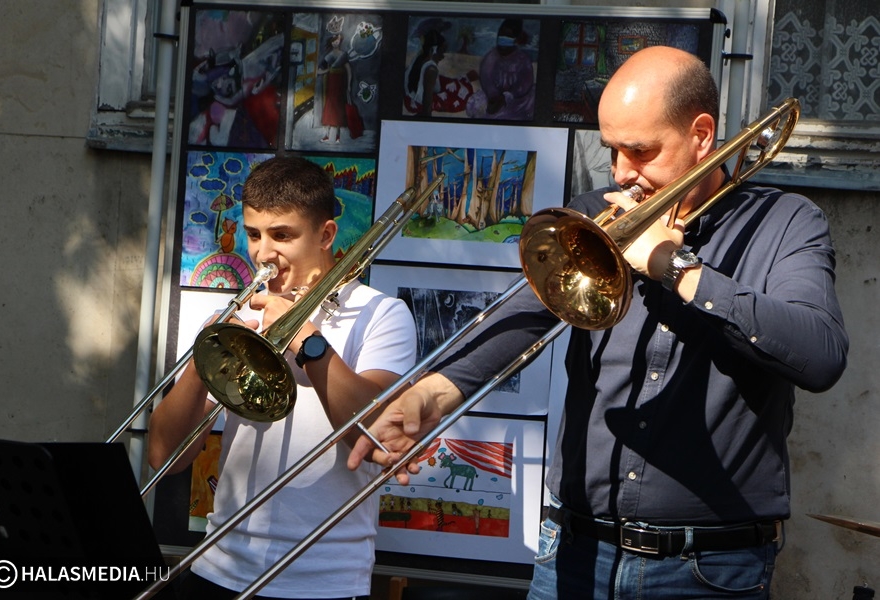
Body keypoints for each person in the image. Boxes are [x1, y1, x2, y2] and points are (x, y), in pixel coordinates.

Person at [349, 46, 848, 598]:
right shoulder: (595, 213)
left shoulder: (785, 223)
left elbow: (820, 354)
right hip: (574, 549)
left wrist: (676, 268)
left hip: (707, 566)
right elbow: (522, 318)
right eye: (612, 150)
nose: (621, 173)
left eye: (641, 151)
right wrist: (432, 394)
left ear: (702, 135)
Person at [149, 156, 417, 599]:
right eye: (254, 234)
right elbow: (164, 458)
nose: (262, 253)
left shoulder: (381, 314)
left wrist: (307, 340)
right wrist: (204, 357)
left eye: (282, 235)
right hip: (218, 568)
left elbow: (374, 434)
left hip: (323, 582)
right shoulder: (242, 313)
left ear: (325, 235)